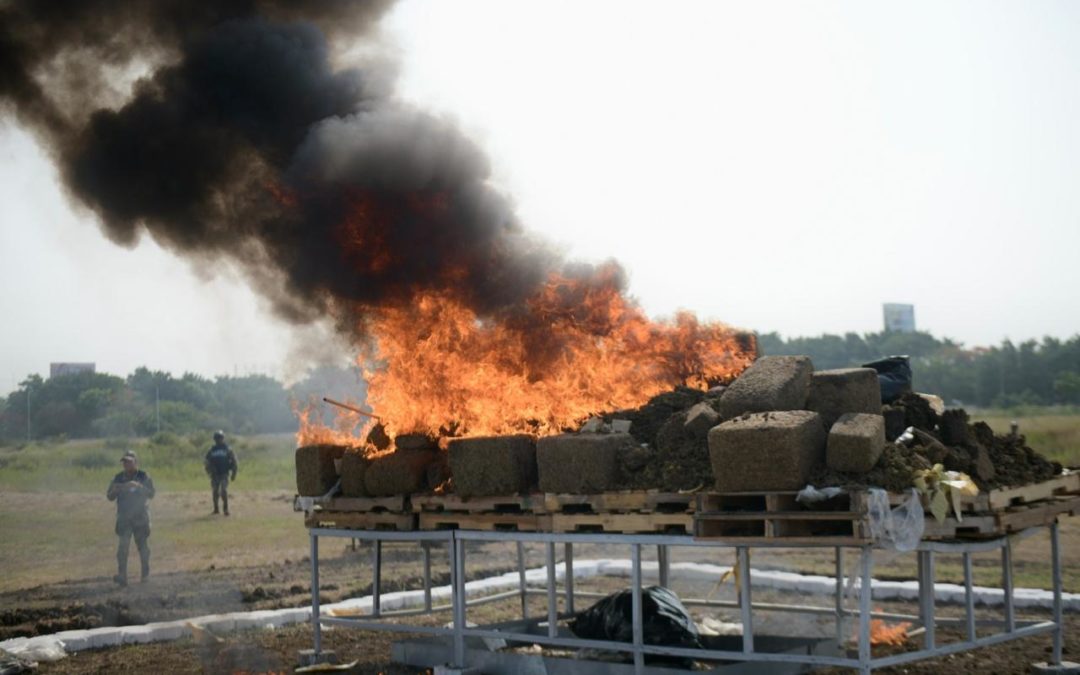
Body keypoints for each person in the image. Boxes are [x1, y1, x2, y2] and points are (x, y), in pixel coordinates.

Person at [106, 451, 155, 586]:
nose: (126, 464)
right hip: (124, 517)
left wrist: (138, 486)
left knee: (143, 547)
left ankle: (145, 575)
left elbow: (151, 494)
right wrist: (116, 489)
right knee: (123, 547)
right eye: (124, 462)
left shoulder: (143, 476)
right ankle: (122, 576)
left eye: (129, 461)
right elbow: (109, 496)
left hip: (140, 517)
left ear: (135, 462)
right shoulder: (118, 477)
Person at [204, 430, 238, 516]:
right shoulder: (212, 450)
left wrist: (234, 473)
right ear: (214, 439)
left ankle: (225, 509)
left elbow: (234, 461)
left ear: (223, 438)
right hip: (215, 474)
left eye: (220, 438)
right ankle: (216, 509)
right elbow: (206, 461)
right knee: (215, 491)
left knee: (223, 491)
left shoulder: (227, 449)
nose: (218, 440)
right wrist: (209, 470)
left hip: (224, 473)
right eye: (217, 438)